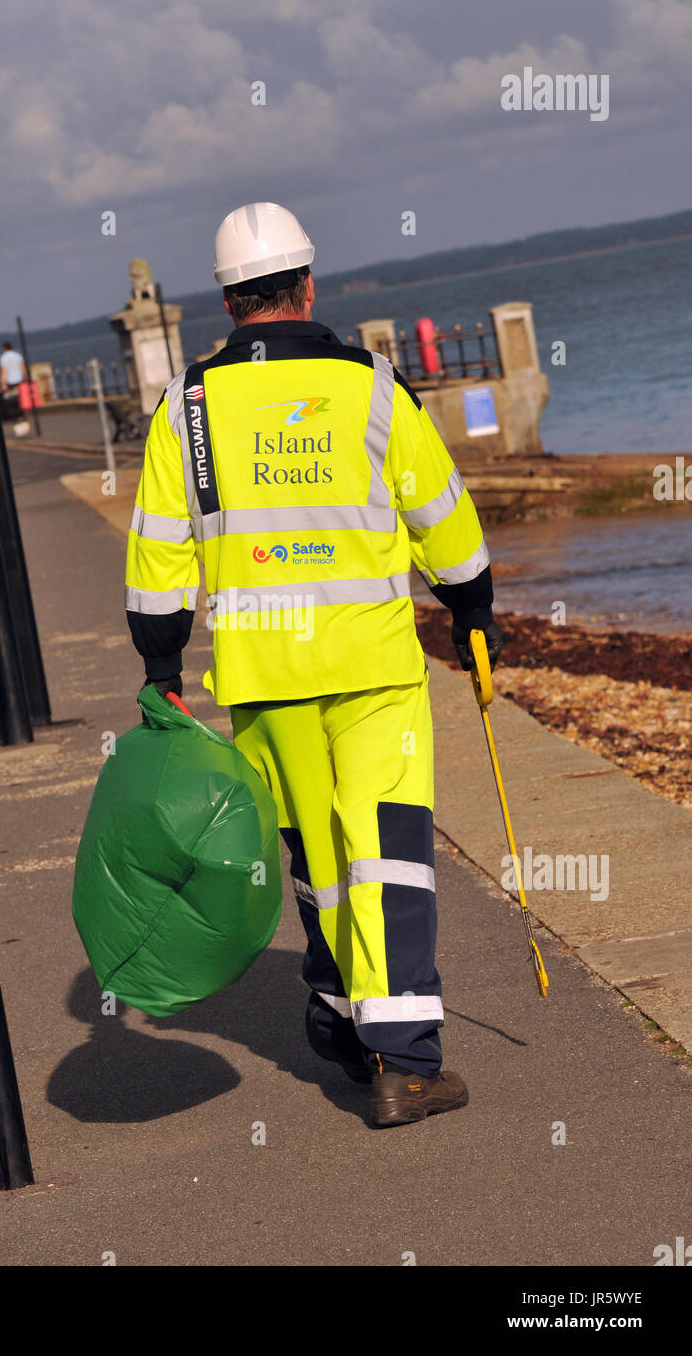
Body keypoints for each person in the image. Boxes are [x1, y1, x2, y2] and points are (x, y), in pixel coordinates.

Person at [125, 202, 503, 1129]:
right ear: (306, 285)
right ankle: (405, 1061)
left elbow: (159, 556)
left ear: (224, 299)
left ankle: (339, 1017)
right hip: (372, 664)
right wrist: (471, 606)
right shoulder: (373, 386)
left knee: (319, 858)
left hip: (260, 673)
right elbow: (441, 518)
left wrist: (161, 665)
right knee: (387, 856)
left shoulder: (188, 408)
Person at [0, 341, 30, 437]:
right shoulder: (18, 355)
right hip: (19, 381)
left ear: (4, 349)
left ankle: (17, 421)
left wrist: (3, 383)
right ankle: (24, 418)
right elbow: (23, 368)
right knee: (22, 401)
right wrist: (26, 378)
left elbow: (4, 371)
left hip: (10, 383)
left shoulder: (3, 358)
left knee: (12, 403)